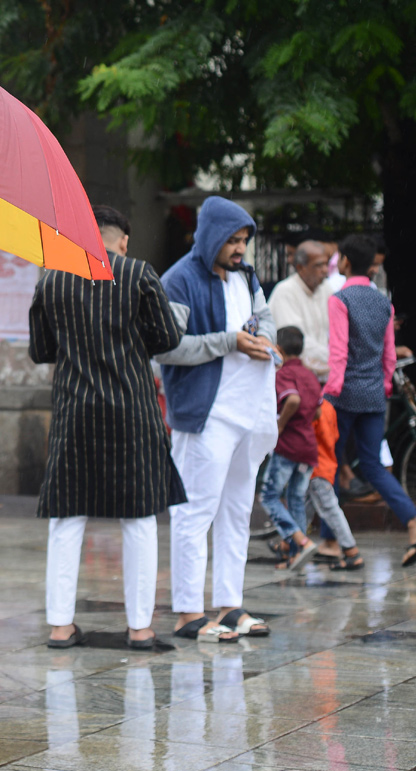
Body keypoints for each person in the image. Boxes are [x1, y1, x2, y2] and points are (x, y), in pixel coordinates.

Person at [29, 205, 183, 650]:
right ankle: (140, 629)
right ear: (123, 240)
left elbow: (41, 350)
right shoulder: (138, 273)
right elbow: (168, 338)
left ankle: (60, 626)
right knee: (138, 518)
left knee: (67, 517)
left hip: (74, 412)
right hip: (132, 410)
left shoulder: (51, 279)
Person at [157, 195, 277, 644]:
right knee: (194, 512)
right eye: (233, 240)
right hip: (205, 415)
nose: (240, 248)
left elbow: (265, 319)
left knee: (237, 512)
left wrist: (263, 339)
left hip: (250, 413)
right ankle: (188, 612)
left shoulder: (247, 275)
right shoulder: (180, 280)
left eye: (244, 239)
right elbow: (168, 347)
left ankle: (231, 605)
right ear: (210, 237)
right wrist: (230, 342)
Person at [323, 234, 416, 563]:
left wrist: (329, 394)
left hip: (344, 395)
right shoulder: (383, 303)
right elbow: (389, 356)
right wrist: (385, 388)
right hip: (375, 393)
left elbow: (339, 354)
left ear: (345, 261)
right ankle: (413, 521)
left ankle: (333, 541)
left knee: (330, 466)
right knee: (374, 467)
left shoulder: (340, 300)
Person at [259, 326, 322, 570]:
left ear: (280, 350)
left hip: (288, 446)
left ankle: (300, 541)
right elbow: (316, 409)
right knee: (296, 497)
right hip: (308, 447)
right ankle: (296, 554)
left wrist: (281, 426)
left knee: (269, 496)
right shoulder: (310, 375)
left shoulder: (284, 373)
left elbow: (292, 399)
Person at [307, 399, 362, 570]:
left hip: (316, 468)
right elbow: (335, 436)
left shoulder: (313, 407)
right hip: (326, 465)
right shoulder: (329, 407)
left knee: (330, 509)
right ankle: (290, 545)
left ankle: (351, 551)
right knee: (304, 507)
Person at [268, 239, 332, 380]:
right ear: (300, 267)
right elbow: (295, 344)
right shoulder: (285, 292)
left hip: (323, 376)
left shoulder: (326, 288)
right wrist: (335, 359)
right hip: (293, 381)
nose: (325, 270)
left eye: (326, 264)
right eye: (318, 265)